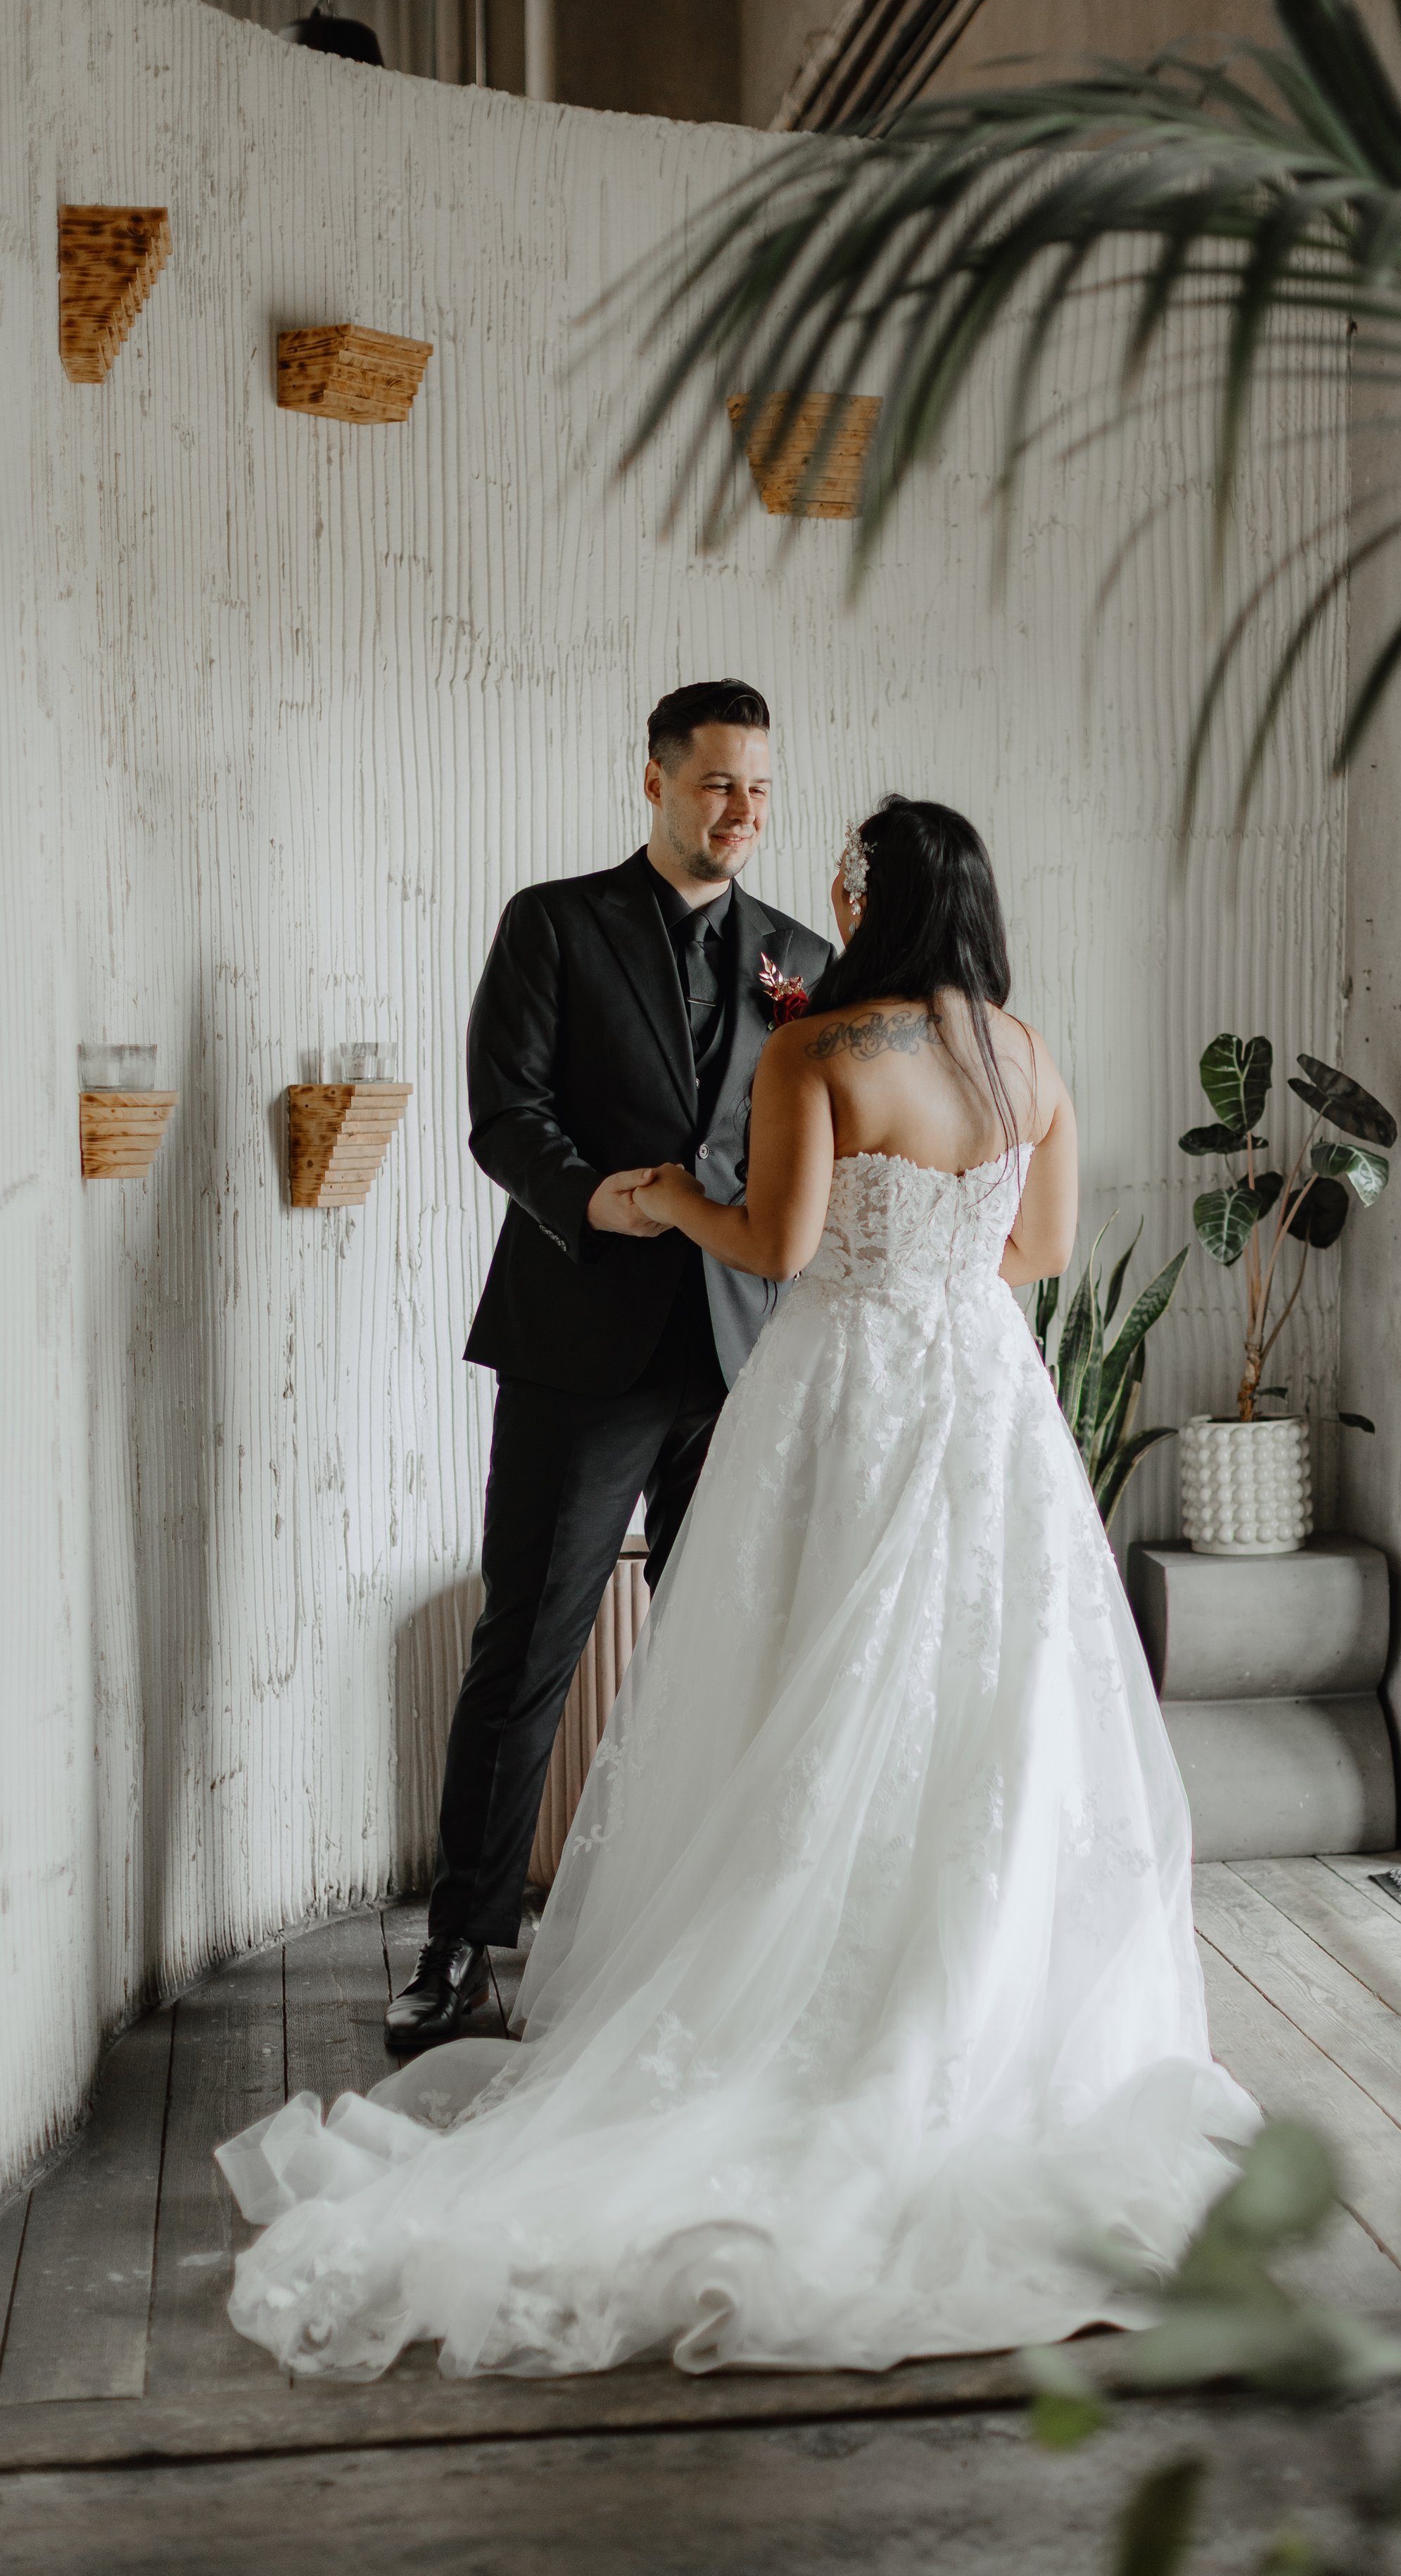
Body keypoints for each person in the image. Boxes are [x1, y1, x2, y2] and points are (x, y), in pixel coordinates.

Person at [219, 796, 1257, 2379]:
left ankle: (779, 1986)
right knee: (984, 1692)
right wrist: (930, 1270)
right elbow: (1039, 1252)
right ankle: (968, 1996)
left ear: (872, 901)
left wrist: (656, 1201)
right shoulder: (1024, 1054)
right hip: (983, 1400)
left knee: (808, 1676)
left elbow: (773, 1244)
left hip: (845, 1393)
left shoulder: (818, 1048)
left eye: (846, 873)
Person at [385, 678, 832, 2051]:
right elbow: (502, 1113)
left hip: (746, 1353)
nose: (742, 810)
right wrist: (592, 1199)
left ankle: (696, 1940)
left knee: (727, 1650)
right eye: (717, 784)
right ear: (654, 781)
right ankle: (460, 1946)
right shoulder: (553, 924)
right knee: (530, 1644)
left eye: (759, 787)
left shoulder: (804, 959)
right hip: (581, 1345)